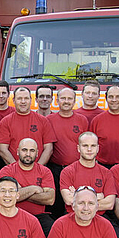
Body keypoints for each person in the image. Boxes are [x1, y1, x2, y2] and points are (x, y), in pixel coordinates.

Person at [0, 138, 55, 236]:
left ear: (37, 153)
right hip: (13, 215)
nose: (28, 154)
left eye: (32, 151)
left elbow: (50, 199)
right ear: (17, 152)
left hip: (39, 217)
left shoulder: (45, 171)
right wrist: (34, 188)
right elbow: (8, 197)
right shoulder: (7, 171)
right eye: (24, 150)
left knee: (53, 232)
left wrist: (20, 192)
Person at [46, 87, 88, 217]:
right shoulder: (49, 120)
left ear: (75, 101)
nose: (66, 101)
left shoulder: (82, 120)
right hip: (55, 169)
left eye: (69, 98)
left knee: (76, 202)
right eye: (63, 98)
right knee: (57, 204)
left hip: (76, 170)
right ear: (57, 101)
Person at [0, 87, 56, 166]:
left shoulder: (43, 121)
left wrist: (37, 168)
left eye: (26, 98)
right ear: (13, 100)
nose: (23, 102)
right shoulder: (5, 122)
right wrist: (17, 168)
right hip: (14, 172)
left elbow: (48, 149)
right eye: (19, 98)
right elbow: (2, 149)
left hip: (38, 171)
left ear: (31, 100)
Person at [59, 132, 116, 213]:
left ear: (98, 148)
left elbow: (109, 204)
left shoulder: (106, 173)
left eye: (93, 146)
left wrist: (77, 195)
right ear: (78, 148)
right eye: (85, 146)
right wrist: (98, 196)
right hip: (73, 216)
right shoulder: (67, 171)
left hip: (100, 218)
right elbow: (68, 200)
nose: (89, 149)